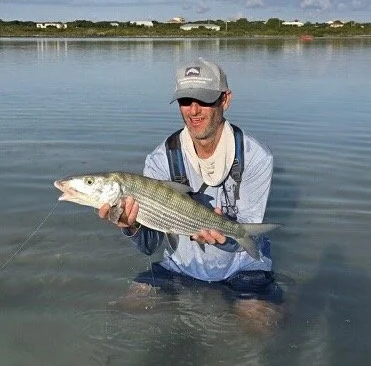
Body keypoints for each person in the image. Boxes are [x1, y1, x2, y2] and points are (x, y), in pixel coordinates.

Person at [99, 57, 283, 331]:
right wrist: (130, 226)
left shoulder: (256, 157)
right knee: (122, 311)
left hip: (243, 268)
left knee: (262, 327)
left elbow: (245, 230)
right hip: (180, 268)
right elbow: (150, 246)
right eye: (185, 101)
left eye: (205, 100)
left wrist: (222, 240)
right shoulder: (161, 159)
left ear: (225, 100)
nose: (194, 111)